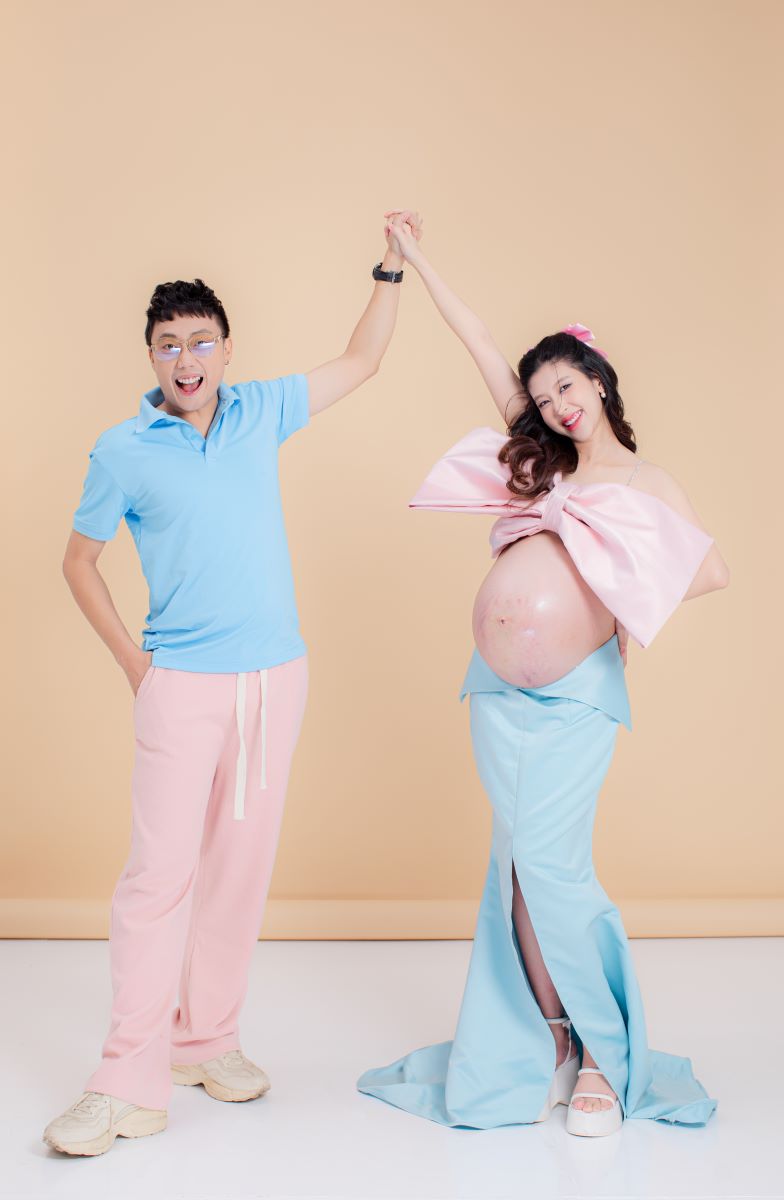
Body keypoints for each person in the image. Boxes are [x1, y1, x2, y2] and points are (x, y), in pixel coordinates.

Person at [44, 209, 422, 1157]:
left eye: (202, 341)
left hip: (276, 677)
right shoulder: (122, 449)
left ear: (225, 347)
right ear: (151, 355)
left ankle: (205, 1039)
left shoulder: (260, 410)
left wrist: (390, 268)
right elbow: (79, 562)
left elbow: (363, 360)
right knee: (157, 880)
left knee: (239, 870)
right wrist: (136, 664)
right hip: (181, 684)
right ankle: (125, 1080)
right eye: (169, 344)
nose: (188, 359)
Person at [357, 217, 728, 1137]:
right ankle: (552, 1039)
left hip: (575, 698)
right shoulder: (541, 461)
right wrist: (412, 259)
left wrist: (624, 600)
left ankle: (605, 1050)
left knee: (555, 868)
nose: (557, 405)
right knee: (518, 869)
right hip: (496, 694)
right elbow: (479, 339)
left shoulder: (645, 481)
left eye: (567, 386)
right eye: (542, 396)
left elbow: (709, 570)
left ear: (598, 381)